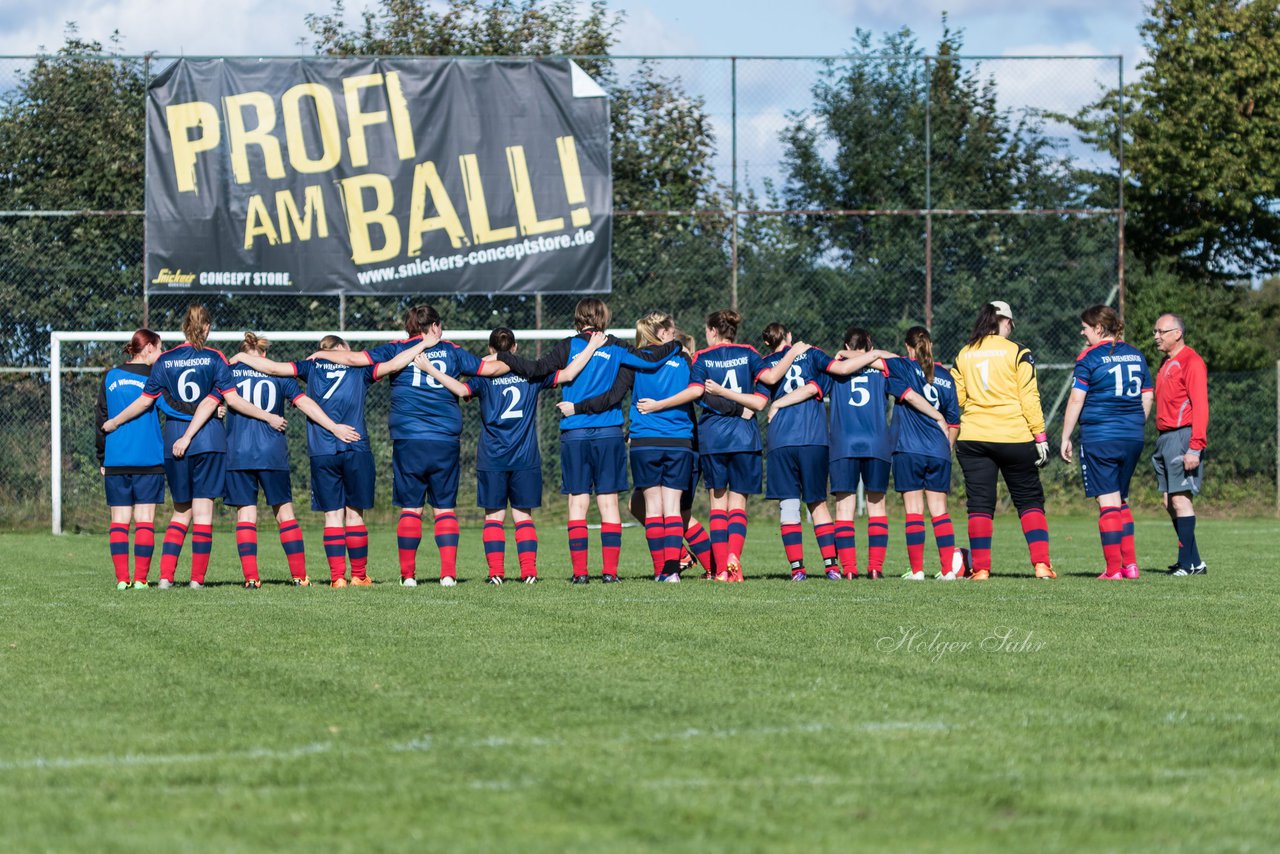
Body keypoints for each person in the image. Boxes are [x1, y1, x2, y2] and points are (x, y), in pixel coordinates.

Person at [491, 298, 680, 584]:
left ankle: (580, 574)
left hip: (575, 433)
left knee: (577, 503)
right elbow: (650, 359)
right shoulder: (615, 345)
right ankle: (611, 574)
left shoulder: (568, 346)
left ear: (579, 317)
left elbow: (537, 368)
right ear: (603, 317)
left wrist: (505, 357)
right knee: (608, 503)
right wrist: (676, 345)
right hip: (609, 433)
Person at [102, 305, 280, 589]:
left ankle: (164, 578)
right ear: (206, 328)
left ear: (184, 328)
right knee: (203, 514)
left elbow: (146, 401)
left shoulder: (165, 359)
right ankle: (197, 581)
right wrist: (266, 416)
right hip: (209, 440)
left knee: (180, 510)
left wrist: (115, 421)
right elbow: (231, 400)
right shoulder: (215, 358)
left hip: (175, 440)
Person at [237, 332, 434, 587]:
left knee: (332, 517)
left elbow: (273, 367)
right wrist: (424, 344)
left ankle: (337, 577)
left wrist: (241, 356)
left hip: (322, 450)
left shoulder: (311, 367)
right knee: (354, 515)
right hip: (355, 445)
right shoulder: (360, 369)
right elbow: (396, 363)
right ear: (341, 348)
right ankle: (359, 576)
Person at [320, 305, 493, 587]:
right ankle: (448, 575)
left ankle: (408, 577)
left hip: (408, 438)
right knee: (445, 509)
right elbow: (489, 368)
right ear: (434, 326)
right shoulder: (452, 350)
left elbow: (354, 359)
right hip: (444, 439)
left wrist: (322, 354)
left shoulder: (395, 349)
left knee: (411, 509)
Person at [417, 327, 605, 584]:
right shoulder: (531, 375)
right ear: (515, 348)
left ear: (491, 350)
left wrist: (431, 369)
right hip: (525, 456)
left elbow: (460, 391)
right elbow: (571, 372)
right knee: (523, 516)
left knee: (494, 517)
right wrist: (591, 347)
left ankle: (496, 572)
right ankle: (529, 572)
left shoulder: (483, 377)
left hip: (492, 456)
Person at [634, 309, 806, 581]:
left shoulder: (701, 357)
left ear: (713, 331)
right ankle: (732, 560)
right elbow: (770, 381)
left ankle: (720, 571)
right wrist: (792, 353)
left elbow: (698, 393)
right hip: (745, 437)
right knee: (737, 505)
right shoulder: (750, 353)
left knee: (717, 505)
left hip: (713, 438)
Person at [224, 332, 362, 588]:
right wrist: (333, 426)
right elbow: (305, 403)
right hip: (272, 453)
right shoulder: (278, 375)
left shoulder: (228, 373)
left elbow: (215, 403)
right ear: (263, 355)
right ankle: (299, 576)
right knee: (285, 514)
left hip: (238, 453)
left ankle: (251, 579)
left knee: (246, 515)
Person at [950, 301, 1055, 580]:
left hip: (973, 436)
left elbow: (956, 399)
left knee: (980, 504)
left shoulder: (964, 354)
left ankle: (981, 568)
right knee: (1030, 500)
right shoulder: (1018, 352)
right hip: (1014, 436)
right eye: (1011, 324)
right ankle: (1042, 565)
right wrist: (1040, 434)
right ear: (1004, 322)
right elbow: (1029, 397)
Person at [1059, 306, 1153, 580]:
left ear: (1098, 328)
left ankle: (1113, 570)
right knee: (1120, 499)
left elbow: (1076, 399)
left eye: (1085, 327)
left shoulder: (1090, 357)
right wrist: (1135, 423)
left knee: (1108, 502)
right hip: (1133, 436)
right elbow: (1147, 396)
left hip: (1101, 435)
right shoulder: (1136, 354)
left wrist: (1065, 436)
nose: (1082, 332)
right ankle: (1131, 565)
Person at [757, 323, 841, 581]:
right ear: (790, 337)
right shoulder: (814, 354)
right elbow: (819, 383)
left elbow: (759, 401)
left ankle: (797, 569)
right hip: (812, 438)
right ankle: (831, 567)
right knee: (817, 503)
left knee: (789, 505)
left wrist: (777, 403)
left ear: (768, 344)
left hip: (780, 439)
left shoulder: (765, 364)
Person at [95, 329, 165, 590]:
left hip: (116, 459)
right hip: (147, 458)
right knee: (145, 519)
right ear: (147, 348)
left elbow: (100, 420)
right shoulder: (155, 378)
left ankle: (122, 579)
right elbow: (171, 410)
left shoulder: (111, 376)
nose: (160, 354)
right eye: (159, 349)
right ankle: (141, 580)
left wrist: (102, 456)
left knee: (119, 520)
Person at [1152, 312, 1209, 576]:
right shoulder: (1166, 362)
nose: (1156, 337)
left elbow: (1200, 406)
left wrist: (1195, 446)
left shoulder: (1192, 361)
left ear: (1177, 333)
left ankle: (1186, 564)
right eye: (1155, 332)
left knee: (1180, 500)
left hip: (1182, 437)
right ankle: (1195, 561)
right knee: (1169, 502)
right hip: (1164, 438)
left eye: (1161, 331)